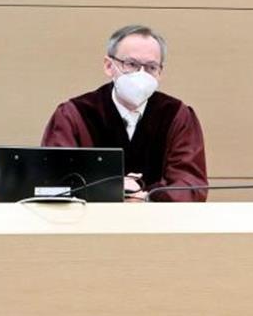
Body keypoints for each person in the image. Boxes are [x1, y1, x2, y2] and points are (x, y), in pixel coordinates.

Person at [41, 24, 209, 202]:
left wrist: (147, 197)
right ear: (109, 66)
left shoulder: (177, 115)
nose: (141, 74)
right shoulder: (74, 114)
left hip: (158, 223)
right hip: (90, 223)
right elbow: (54, 182)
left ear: (160, 73)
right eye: (131, 64)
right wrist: (112, 191)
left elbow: (191, 184)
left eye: (151, 67)